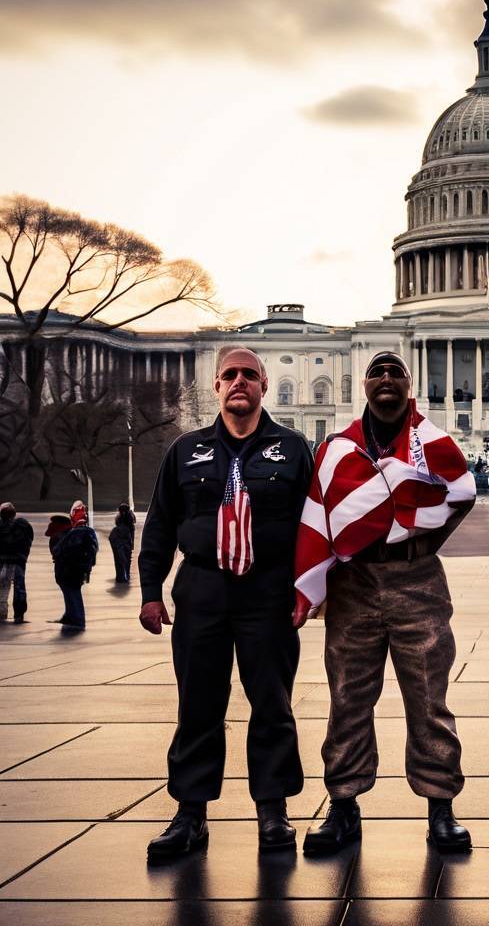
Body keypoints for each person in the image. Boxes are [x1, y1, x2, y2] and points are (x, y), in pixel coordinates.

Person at [294, 351, 477, 855]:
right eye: (378, 372)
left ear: (409, 382)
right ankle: (344, 804)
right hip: (354, 584)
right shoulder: (337, 449)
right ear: (366, 386)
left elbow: (458, 496)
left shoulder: (434, 443)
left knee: (428, 699)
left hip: (417, 579)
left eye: (396, 372)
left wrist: (418, 540)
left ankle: (441, 805)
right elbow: (319, 513)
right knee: (348, 699)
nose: (387, 380)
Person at [138, 347, 313, 863]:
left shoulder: (293, 448)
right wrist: (150, 590)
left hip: (268, 592)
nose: (240, 382)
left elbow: (314, 526)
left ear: (263, 385)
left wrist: (311, 589)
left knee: (272, 705)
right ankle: (190, 813)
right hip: (203, 590)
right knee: (198, 706)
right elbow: (161, 524)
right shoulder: (186, 451)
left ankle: (272, 809)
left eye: (249, 375)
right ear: (217, 386)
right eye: (230, 375)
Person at [51, 502, 97, 631]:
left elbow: (62, 550)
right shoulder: (85, 533)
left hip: (71, 570)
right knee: (71, 592)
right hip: (75, 569)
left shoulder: (77, 534)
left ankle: (77, 618)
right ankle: (71, 615)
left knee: (72, 592)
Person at [0, 502, 33, 624]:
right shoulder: (23, 526)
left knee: (2, 588)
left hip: (2, 562)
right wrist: (23, 557)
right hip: (18, 562)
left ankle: (2, 613)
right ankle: (19, 615)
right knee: (19, 588)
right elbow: (28, 541)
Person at [108, 503, 136, 584]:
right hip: (127, 540)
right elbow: (132, 531)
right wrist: (132, 544)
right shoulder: (130, 517)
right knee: (127, 559)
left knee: (118, 558)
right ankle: (126, 574)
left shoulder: (118, 518)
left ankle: (120, 576)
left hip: (117, 538)